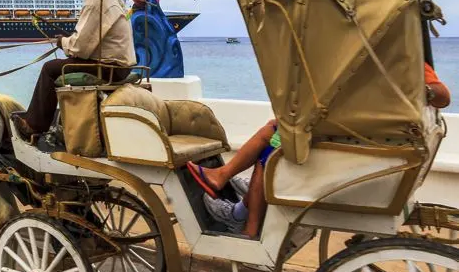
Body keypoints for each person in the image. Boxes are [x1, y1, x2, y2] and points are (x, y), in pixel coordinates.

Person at [188, 62, 452, 237]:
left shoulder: (392, 64)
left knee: (272, 151)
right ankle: (236, 192)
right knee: (277, 131)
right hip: (371, 146)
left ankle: (244, 220)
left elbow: (441, 95)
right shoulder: (393, 61)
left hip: (362, 153)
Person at [12, 0, 137, 141]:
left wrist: (62, 41)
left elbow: (79, 48)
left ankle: (34, 125)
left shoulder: (95, 2)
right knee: (64, 63)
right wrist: (69, 41)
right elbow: (88, 41)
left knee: (49, 68)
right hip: (120, 65)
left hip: (109, 68)